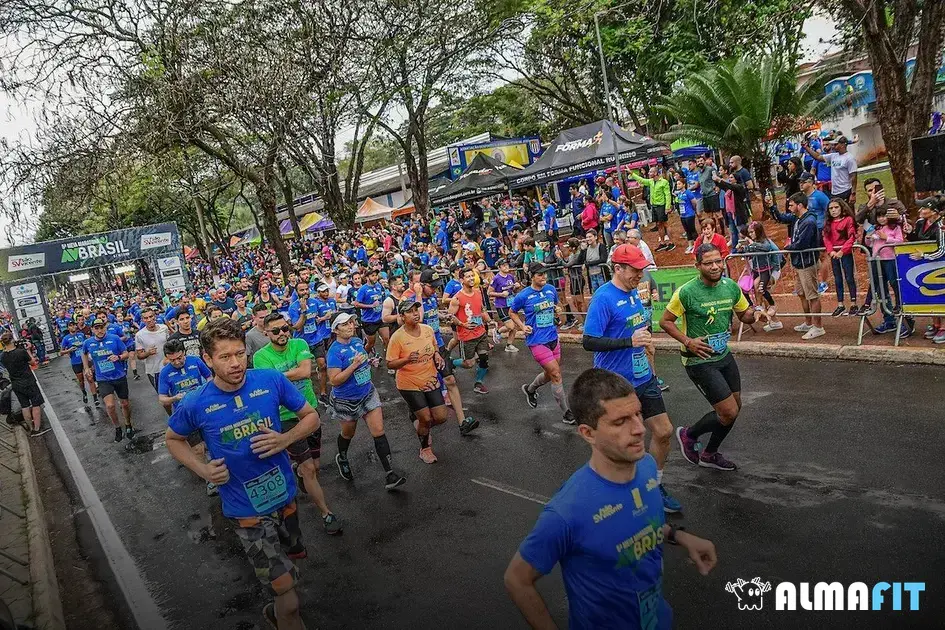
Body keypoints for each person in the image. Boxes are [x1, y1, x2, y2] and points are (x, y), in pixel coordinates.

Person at [504, 368, 717, 630]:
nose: (639, 429)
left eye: (638, 413)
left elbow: (635, 522)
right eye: (621, 421)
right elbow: (517, 579)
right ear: (588, 433)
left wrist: (679, 536)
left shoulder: (648, 466)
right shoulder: (568, 510)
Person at [166, 317, 318, 630]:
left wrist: (285, 439)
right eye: (225, 357)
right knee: (290, 599)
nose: (236, 363)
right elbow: (172, 439)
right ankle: (284, 612)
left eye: (239, 354)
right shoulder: (195, 403)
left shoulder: (270, 380)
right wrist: (204, 470)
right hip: (246, 511)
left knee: (295, 563)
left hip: (285, 497)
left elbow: (311, 417)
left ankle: (277, 614)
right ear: (207, 359)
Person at [581, 244, 681, 512]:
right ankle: (613, 490)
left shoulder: (635, 293)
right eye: (636, 270)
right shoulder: (603, 298)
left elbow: (638, 327)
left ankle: (654, 486)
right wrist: (629, 341)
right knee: (624, 444)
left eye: (642, 269)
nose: (641, 274)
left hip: (643, 376)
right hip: (615, 383)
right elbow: (589, 341)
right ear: (618, 268)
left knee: (663, 431)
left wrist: (648, 349)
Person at [661, 243, 762, 471]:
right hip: (698, 360)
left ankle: (709, 453)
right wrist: (688, 341)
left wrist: (756, 314)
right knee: (728, 411)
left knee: (735, 407)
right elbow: (665, 321)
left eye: (718, 261)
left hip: (723, 355)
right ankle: (689, 434)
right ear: (698, 266)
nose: (715, 267)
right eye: (708, 263)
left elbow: (744, 315)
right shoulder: (686, 292)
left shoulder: (730, 287)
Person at [252, 313, 342, 535]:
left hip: (308, 410)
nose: (282, 333)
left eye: (285, 329)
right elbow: (292, 374)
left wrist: (279, 375)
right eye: (276, 331)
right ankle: (326, 513)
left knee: (316, 466)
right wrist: (287, 376)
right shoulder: (260, 357)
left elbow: (305, 371)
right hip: (284, 418)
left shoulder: (300, 342)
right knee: (310, 468)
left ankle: (299, 471)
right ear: (266, 333)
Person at [325, 312, 407, 490]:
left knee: (379, 431)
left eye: (351, 323)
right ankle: (343, 457)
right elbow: (334, 380)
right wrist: (354, 365)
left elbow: (363, 357)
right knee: (348, 434)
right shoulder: (334, 351)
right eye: (345, 324)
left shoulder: (356, 341)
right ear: (336, 329)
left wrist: (366, 362)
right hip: (346, 400)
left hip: (367, 393)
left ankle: (390, 474)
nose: (350, 326)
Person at [415, 268, 479, 437]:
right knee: (425, 388)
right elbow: (419, 319)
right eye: (432, 287)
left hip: (439, 346)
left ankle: (463, 422)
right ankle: (422, 426)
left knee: (450, 379)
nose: (436, 291)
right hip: (422, 350)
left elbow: (432, 316)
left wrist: (443, 316)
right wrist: (419, 296)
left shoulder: (431, 299)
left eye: (437, 287)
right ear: (422, 286)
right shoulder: (415, 300)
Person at [510, 262, 575, 425]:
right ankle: (566, 412)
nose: (544, 277)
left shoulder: (550, 289)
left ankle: (530, 389)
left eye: (545, 274)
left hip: (553, 337)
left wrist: (557, 310)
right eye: (540, 275)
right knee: (556, 374)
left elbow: (555, 306)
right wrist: (522, 326)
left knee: (550, 374)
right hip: (537, 340)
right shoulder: (523, 296)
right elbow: (512, 312)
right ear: (532, 277)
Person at [386, 299, 448, 464]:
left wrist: (437, 354)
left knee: (441, 417)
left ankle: (420, 424)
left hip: (430, 378)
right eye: (410, 311)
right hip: (409, 383)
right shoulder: (397, 337)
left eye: (416, 310)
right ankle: (425, 448)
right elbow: (390, 363)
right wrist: (406, 359)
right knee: (426, 418)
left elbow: (434, 346)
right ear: (401, 316)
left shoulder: (427, 330)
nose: (415, 313)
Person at [82, 317, 136, 442]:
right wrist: (86, 368)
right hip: (103, 379)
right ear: (92, 330)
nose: (100, 330)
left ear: (105, 328)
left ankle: (128, 424)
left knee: (125, 404)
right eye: (96, 328)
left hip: (119, 376)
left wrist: (118, 357)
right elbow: (84, 353)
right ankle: (117, 427)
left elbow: (126, 353)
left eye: (102, 327)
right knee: (110, 405)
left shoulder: (114, 338)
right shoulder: (88, 343)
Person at [783, 193, 826, 339]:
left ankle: (818, 326)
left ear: (799, 205)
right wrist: (771, 207)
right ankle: (808, 322)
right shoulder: (798, 218)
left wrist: (788, 248)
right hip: (800, 263)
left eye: (791, 205)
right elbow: (781, 218)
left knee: (812, 295)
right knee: (801, 293)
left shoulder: (808, 222)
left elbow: (802, 244)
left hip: (807, 263)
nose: (789, 208)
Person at [448, 267, 495, 394]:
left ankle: (478, 383)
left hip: (480, 333)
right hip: (467, 336)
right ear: (461, 279)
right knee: (469, 363)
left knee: (484, 358)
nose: (471, 278)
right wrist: (463, 324)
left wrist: (490, 321)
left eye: (472, 276)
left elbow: (482, 310)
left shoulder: (478, 292)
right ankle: (451, 363)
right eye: (467, 276)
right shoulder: (457, 298)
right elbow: (450, 317)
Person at [1, 332, 48, 437]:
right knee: (36, 404)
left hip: (16, 383)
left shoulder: (3, 356)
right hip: (28, 380)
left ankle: (30, 428)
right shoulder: (21, 352)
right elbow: (33, 362)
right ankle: (37, 429)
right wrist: (28, 350)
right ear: (12, 340)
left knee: (24, 406)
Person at [822, 198, 859, 316]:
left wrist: (843, 250)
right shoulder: (829, 223)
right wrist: (830, 251)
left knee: (849, 277)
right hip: (834, 254)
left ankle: (853, 303)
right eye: (831, 208)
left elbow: (851, 237)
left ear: (842, 208)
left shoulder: (848, 220)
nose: (833, 210)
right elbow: (826, 238)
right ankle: (840, 304)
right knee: (837, 278)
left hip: (845, 253)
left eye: (836, 207)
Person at [803, 134, 857, 203]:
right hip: (834, 192)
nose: (833, 146)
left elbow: (854, 177)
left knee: (847, 211)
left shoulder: (849, 158)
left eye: (836, 144)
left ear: (843, 145)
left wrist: (853, 193)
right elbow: (818, 157)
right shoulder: (833, 156)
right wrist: (806, 147)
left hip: (845, 190)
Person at [631, 167, 674, 251]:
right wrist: (632, 174)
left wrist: (667, 207)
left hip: (662, 206)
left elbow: (668, 195)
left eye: (651, 172)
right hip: (654, 206)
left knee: (665, 224)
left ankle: (671, 242)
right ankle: (662, 243)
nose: (649, 173)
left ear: (656, 173)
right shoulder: (650, 181)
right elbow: (641, 180)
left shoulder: (664, 182)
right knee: (659, 224)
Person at [353, 268, 389, 358]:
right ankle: (363, 359)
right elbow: (356, 304)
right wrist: (371, 306)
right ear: (367, 277)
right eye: (372, 276)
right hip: (369, 321)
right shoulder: (363, 289)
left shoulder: (378, 286)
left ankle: (389, 361)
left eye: (376, 275)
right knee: (371, 344)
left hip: (380, 318)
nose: (375, 277)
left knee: (387, 339)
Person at [487, 258, 520, 352]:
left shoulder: (510, 277)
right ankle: (497, 331)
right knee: (510, 326)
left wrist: (516, 287)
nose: (506, 267)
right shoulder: (496, 278)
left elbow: (514, 290)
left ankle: (509, 345)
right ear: (499, 267)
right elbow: (489, 292)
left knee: (515, 326)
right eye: (504, 265)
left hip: (511, 303)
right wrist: (501, 294)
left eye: (507, 265)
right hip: (501, 305)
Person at [60, 319, 96, 406]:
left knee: (90, 378)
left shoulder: (81, 335)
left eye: (74, 325)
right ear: (68, 327)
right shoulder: (66, 338)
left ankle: (95, 398)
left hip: (85, 360)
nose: (73, 327)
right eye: (71, 325)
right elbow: (61, 352)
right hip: (75, 362)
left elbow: (86, 346)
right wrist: (69, 350)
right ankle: (84, 393)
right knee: (81, 380)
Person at [134, 308, 169, 393]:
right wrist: (148, 353)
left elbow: (170, 345)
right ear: (142, 320)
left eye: (151, 316)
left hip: (168, 366)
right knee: (163, 396)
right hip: (154, 371)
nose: (149, 320)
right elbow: (139, 356)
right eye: (146, 318)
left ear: (155, 317)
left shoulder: (164, 328)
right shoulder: (139, 335)